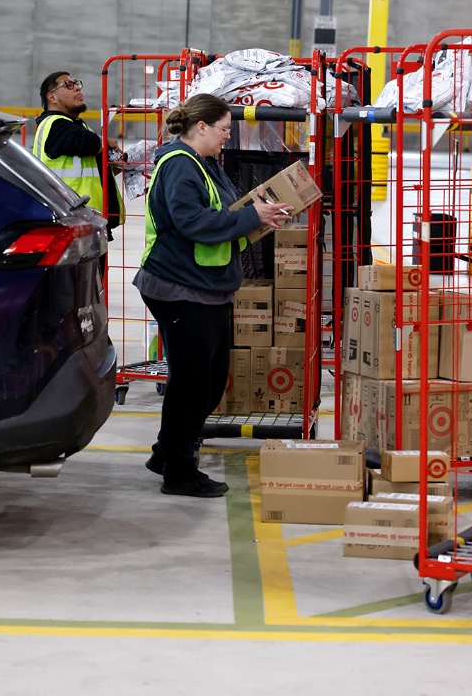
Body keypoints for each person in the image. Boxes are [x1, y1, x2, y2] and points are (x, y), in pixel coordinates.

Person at [133, 93, 292, 498]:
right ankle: (179, 472)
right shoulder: (179, 166)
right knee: (191, 384)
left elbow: (226, 209)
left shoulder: (204, 163)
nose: (226, 137)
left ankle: (166, 451)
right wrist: (249, 217)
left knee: (211, 380)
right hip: (179, 287)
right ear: (200, 127)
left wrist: (257, 211)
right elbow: (192, 221)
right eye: (223, 129)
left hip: (207, 286)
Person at [33, 71, 125, 246]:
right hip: (71, 223)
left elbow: (87, 164)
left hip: (86, 222)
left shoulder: (75, 125)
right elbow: (87, 143)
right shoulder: (55, 124)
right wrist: (104, 142)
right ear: (51, 97)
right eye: (68, 84)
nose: (76, 87)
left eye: (77, 83)